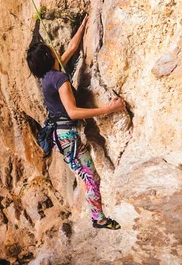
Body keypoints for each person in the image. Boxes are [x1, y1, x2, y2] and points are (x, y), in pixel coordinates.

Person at [27, 14, 126, 230]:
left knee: (88, 177)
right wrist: (109, 109)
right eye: (49, 49)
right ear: (48, 54)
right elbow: (72, 112)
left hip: (61, 138)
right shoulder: (59, 79)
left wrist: (83, 26)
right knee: (92, 179)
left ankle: (96, 215)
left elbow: (71, 48)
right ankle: (98, 219)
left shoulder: (49, 76)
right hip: (67, 138)